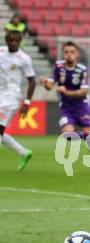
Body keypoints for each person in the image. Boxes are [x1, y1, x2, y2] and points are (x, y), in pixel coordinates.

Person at [40, 41, 90, 173]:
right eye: (66, 52)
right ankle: (88, 136)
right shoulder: (58, 67)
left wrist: (66, 92)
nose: (69, 55)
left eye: (72, 52)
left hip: (82, 106)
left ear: (77, 54)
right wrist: (45, 83)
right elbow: (50, 85)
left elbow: (83, 91)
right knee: (68, 135)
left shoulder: (82, 69)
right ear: (63, 54)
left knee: (89, 134)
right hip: (66, 108)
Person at [0, 31, 35, 171]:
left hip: (12, 98)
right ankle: (23, 152)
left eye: (16, 41)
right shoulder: (1, 51)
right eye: (11, 40)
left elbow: (32, 81)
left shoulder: (24, 58)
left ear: (20, 41)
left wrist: (27, 103)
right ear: (6, 40)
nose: (13, 43)